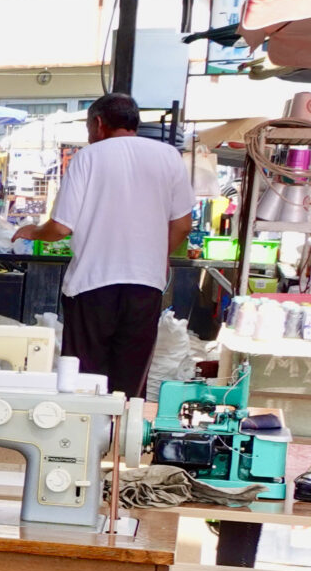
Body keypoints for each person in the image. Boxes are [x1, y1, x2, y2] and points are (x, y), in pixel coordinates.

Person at [24, 92, 194, 399]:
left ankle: (85, 443)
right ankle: (120, 443)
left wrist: (32, 232)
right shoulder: (169, 156)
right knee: (128, 386)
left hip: (92, 286)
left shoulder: (88, 157)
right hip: (145, 286)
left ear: (98, 123)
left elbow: (60, 228)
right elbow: (183, 226)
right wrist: (156, 255)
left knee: (85, 383)